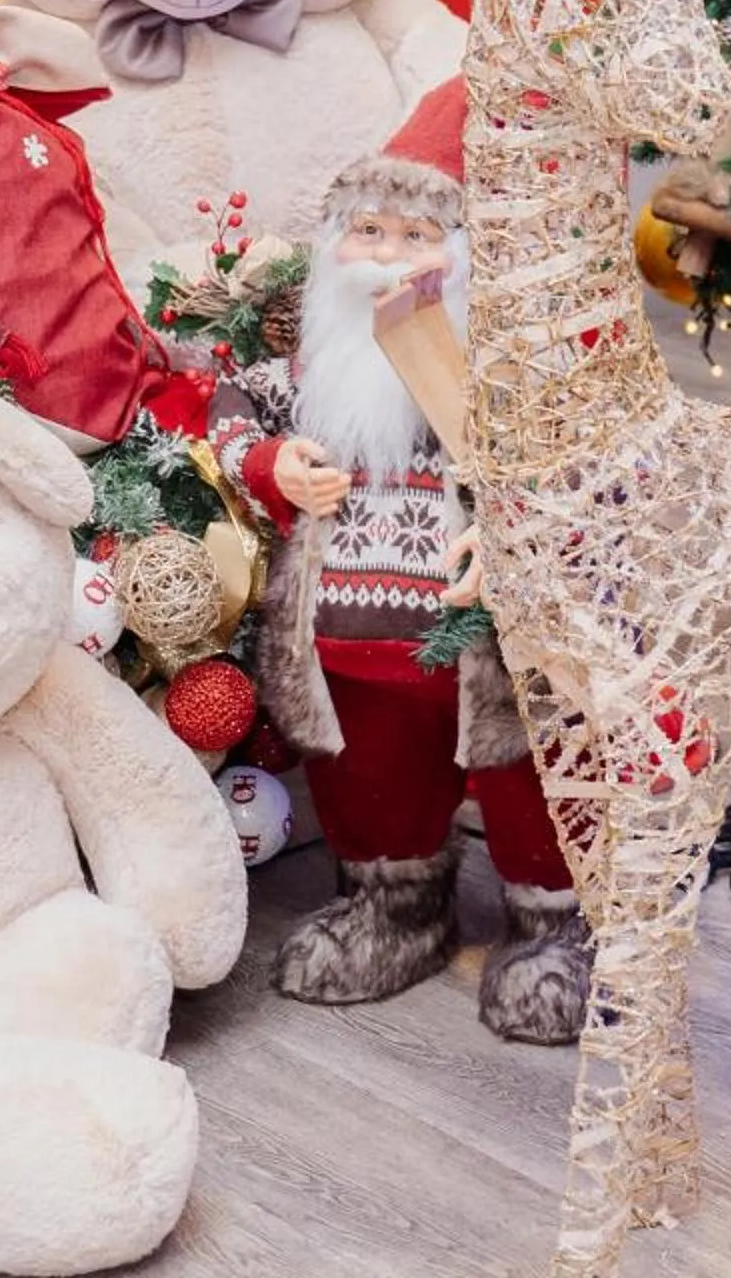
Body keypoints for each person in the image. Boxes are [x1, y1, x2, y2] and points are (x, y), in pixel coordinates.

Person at [212, 155, 591, 1044]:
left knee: (531, 777)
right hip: (342, 648)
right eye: (370, 231)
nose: (388, 255)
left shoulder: (505, 366)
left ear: (461, 252)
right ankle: (397, 908)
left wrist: (513, 530)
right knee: (370, 781)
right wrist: (271, 465)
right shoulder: (303, 362)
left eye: (417, 236)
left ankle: (555, 927)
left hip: (485, 645)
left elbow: (570, 459)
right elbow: (234, 417)